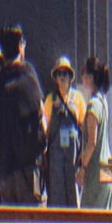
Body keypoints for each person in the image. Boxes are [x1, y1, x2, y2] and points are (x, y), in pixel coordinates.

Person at [0, 24, 44, 205]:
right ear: (20, 45)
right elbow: (42, 119)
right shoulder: (29, 75)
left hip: (4, 170)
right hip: (28, 168)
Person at [42, 55, 86, 207]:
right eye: (59, 73)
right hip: (56, 153)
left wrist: (83, 153)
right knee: (56, 189)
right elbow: (45, 128)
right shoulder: (49, 99)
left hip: (73, 153)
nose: (62, 77)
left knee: (73, 188)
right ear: (55, 77)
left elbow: (85, 128)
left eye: (65, 73)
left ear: (71, 76)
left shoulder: (78, 98)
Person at [77, 55, 112, 209]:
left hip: (95, 172)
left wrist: (82, 168)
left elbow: (91, 142)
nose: (82, 77)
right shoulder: (103, 101)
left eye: (84, 74)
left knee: (89, 219)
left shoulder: (93, 105)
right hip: (106, 166)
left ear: (91, 78)